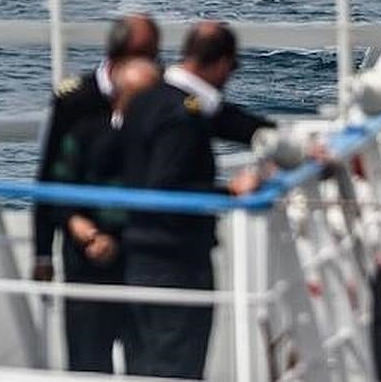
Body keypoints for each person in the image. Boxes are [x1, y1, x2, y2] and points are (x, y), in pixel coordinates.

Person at [114, 21, 269, 379]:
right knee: (177, 365)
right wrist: (229, 192)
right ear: (221, 64)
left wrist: (271, 135)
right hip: (176, 260)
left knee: (143, 363)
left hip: (137, 255)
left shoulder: (147, 99)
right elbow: (166, 189)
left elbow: (224, 118)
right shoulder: (183, 116)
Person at [32, 12, 159, 373]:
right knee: (88, 357)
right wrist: (43, 252)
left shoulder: (158, 97)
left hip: (139, 249)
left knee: (145, 356)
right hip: (85, 248)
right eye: (149, 55)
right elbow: (50, 178)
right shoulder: (75, 100)